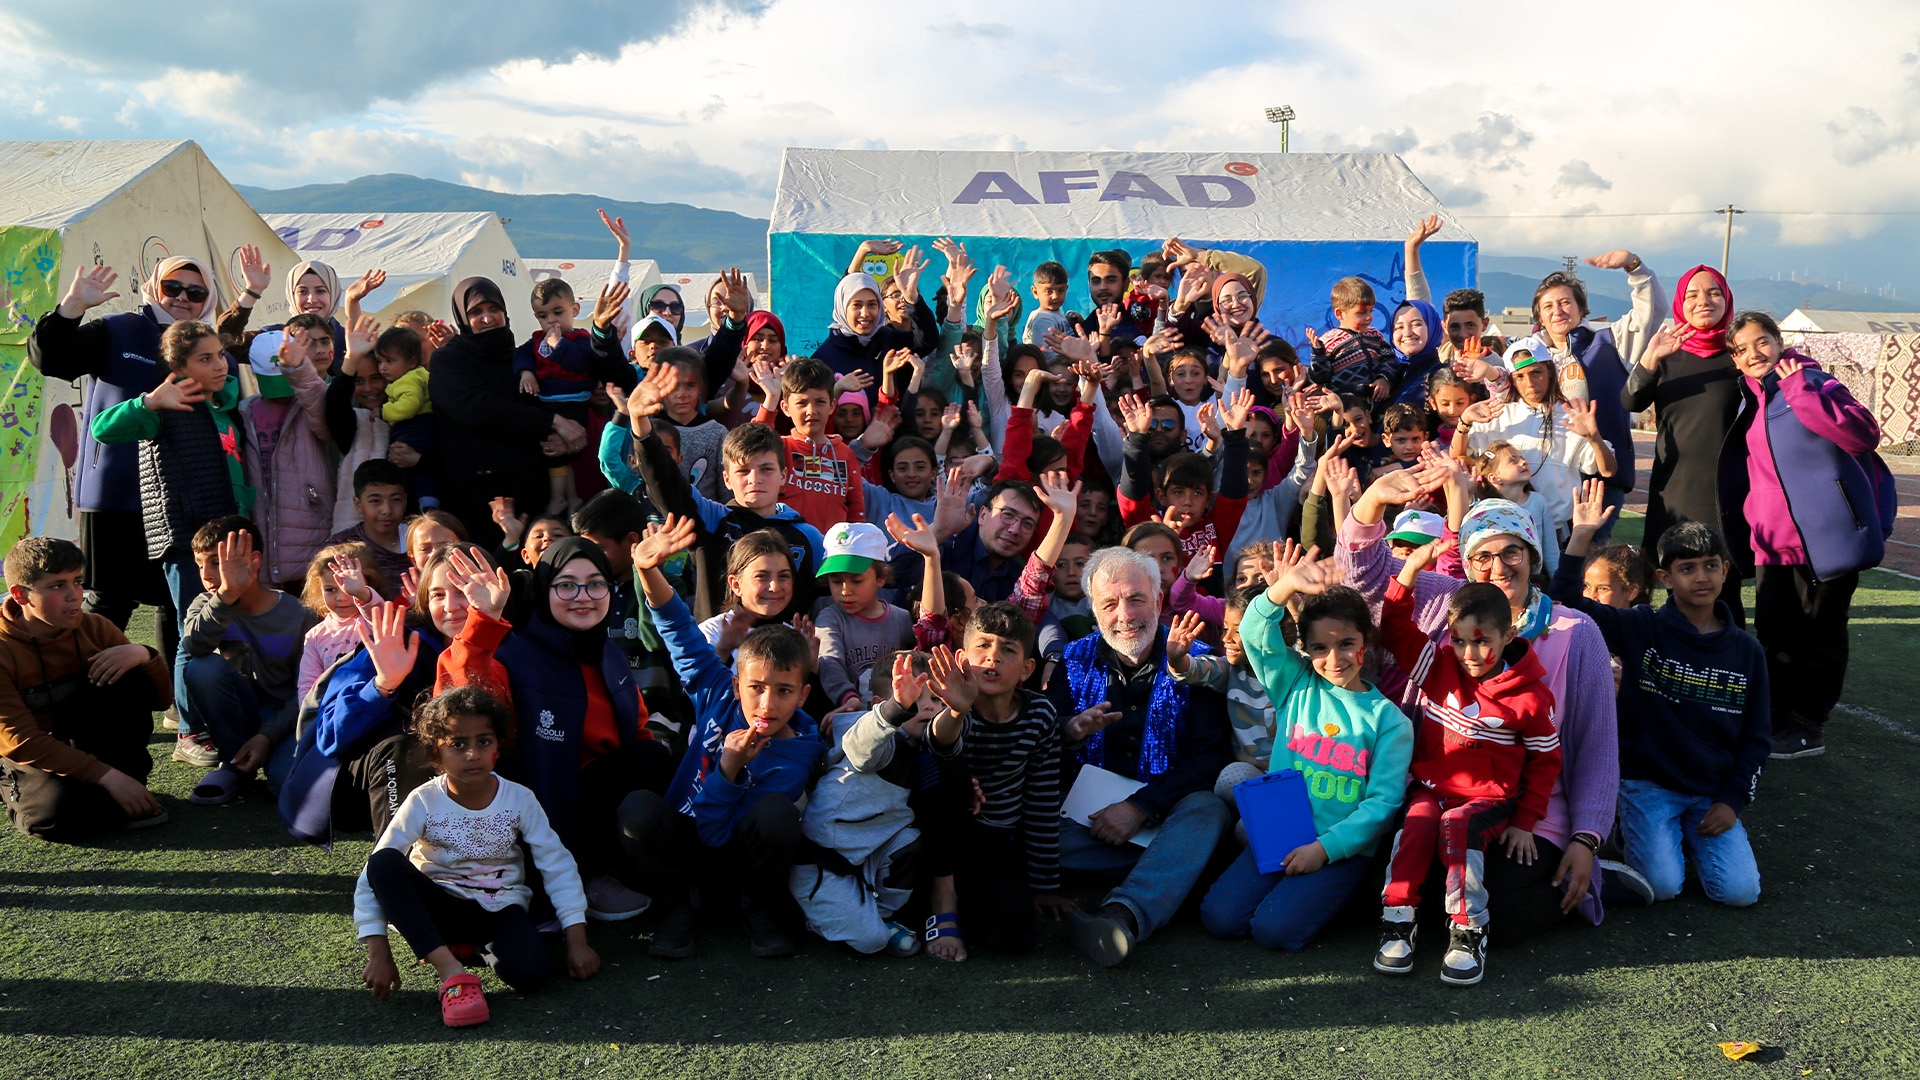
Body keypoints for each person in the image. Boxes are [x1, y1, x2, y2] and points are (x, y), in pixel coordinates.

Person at [1338, 474, 1622, 943]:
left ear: (1532, 555)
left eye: (1513, 551)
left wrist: (1585, 839)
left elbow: (1596, 746)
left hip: (1534, 810)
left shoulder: (1577, 630)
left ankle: (1601, 877)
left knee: (1504, 916)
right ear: (1467, 564)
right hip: (1447, 793)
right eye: (1482, 556)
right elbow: (1364, 577)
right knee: (1398, 896)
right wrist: (1370, 501)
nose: (1500, 567)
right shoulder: (1445, 604)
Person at [1553, 481, 1766, 907]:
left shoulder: (1747, 650)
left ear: (1726, 570)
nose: (1701, 577)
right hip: (1648, 784)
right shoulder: (1641, 626)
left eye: (1710, 565)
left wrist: (1731, 800)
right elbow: (1563, 599)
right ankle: (1628, 827)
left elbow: (1757, 737)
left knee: (1740, 893)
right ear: (1665, 578)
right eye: (1687, 568)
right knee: (1663, 887)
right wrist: (1581, 537)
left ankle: (1679, 836)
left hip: (1711, 790)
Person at [434, 541, 672, 923]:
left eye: (596, 584)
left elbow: (637, 734)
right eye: (566, 585)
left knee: (654, 757)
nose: (583, 597)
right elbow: (462, 706)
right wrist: (484, 617)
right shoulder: (514, 656)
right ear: (544, 591)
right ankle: (580, 877)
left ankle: (620, 870)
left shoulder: (608, 653)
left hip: (603, 805)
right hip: (536, 812)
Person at [622, 515, 822, 959]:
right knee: (637, 807)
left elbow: (718, 836)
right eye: (755, 688)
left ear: (803, 695)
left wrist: (729, 770)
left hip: (736, 853)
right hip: (686, 849)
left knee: (775, 814)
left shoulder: (798, 751)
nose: (766, 704)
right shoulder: (716, 689)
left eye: (784, 691)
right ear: (735, 684)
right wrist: (647, 570)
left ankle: (759, 907)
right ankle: (680, 904)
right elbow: (676, 628)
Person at [1199, 555, 1413, 954]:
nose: (1334, 659)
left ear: (1365, 642)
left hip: (1339, 851)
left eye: (1346, 644)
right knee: (1220, 919)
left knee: (1273, 931)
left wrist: (1325, 850)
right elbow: (1253, 630)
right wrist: (1284, 588)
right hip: (1279, 833)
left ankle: (1342, 896)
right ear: (1305, 648)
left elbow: (1382, 805)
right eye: (1320, 647)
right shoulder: (1294, 682)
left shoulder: (1391, 722)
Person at [355, 686, 599, 1028]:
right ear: (435, 753)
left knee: (531, 974)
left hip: (499, 907)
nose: (472, 754)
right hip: (439, 906)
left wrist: (577, 941)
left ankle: (466, 947)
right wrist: (378, 952)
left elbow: (556, 864)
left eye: (483, 741)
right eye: (458, 744)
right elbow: (374, 874)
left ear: (498, 746)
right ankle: (451, 970)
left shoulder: (519, 799)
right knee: (383, 863)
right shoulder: (423, 801)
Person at [1374, 546, 1561, 986]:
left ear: (1508, 633)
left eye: (1482, 641)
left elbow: (1545, 762)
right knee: (1418, 821)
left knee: (1458, 824)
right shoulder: (1440, 667)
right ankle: (1398, 919)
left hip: (1488, 799)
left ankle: (1468, 929)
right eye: (1459, 640)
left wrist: (1526, 821)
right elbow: (1397, 631)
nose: (1470, 652)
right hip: (1431, 787)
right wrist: (1410, 574)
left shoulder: (1532, 698)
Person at [30, 258, 229, 667]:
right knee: (108, 600)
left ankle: (175, 701)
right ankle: (89, 695)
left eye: (197, 292)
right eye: (173, 287)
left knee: (178, 600)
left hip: (181, 499)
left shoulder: (208, 344)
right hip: (114, 493)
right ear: (155, 287)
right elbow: (52, 361)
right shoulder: (118, 329)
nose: (183, 299)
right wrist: (70, 309)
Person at [1718, 312, 1893, 760]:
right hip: (1773, 544)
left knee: (1821, 632)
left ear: (1779, 342)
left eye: (1762, 342)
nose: (1754, 354)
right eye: (1742, 349)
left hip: (1826, 539)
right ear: (1735, 360)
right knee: (1775, 633)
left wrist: (1800, 391)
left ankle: (1808, 724)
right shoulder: (1748, 399)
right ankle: (1776, 717)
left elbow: (1862, 436)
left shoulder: (1816, 383)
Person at [1047, 547, 1232, 967]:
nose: (1125, 614)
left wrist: (1139, 807)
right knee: (1029, 832)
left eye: (1136, 599)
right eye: (1110, 603)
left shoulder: (1198, 661)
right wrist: (1069, 732)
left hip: (1165, 813)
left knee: (1208, 811)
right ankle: (1175, 873)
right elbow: (1043, 742)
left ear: (1160, 600)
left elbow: (1208, 758)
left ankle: (1123, 914)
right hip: (1087, 824)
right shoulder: (1071, 660)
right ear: (1094, 609)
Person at [430, 277, 634, 550]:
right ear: (462, 317)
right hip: (479, 503)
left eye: (494, 309)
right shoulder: (449, 360)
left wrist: (601, 331)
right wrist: (553, 422)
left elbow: (609, 378)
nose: (488, 318)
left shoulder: (521, 356)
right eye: (476, 312)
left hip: (536, 498)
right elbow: (476, 408)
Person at [920, 605, 1070, 957]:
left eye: (1007, 649)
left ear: (1027, 669)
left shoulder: (1039, 715)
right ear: (963, 658)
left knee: (1014, 936)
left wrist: (1044, 886)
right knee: (940, 770)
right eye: (983, 646)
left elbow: (1042, 800)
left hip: (996, 841)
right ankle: (943, 901)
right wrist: (956, 710)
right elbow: (939, 743)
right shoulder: (957, 708)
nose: (993, 658)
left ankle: (969, 905)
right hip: (943, 833)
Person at [0, 537, 171, 839]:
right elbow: (20, 739)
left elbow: (161, 700)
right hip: (32, 754)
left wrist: (145, 656)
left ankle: (122, 781)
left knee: (128, 674)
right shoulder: (4, 649)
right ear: (20, 595)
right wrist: (105, 776)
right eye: (57, 586)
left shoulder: (96, 627)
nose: (74, 595)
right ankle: (16, 789)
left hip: (85, 740)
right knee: (56, 817)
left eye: (78, 581)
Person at [626, 385, 825, 622]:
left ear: (783, 475)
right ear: (727, 479)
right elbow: (668, 485)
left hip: (785, 653)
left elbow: (826, 599)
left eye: (766, 469)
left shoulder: (810, 537)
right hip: (719, 653)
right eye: (743, 471)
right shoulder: (712, 520)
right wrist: (641, 428)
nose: (755, 479)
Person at [787, 650, 928, 957]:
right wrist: (897, 709)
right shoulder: (881, 737)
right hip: (822, 864)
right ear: (881, 705)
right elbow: (860, 747)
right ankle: (813, 915)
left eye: (937, 699)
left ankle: (878, 915)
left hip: (864, 857)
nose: (929, 707)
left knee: (910, 842)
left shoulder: (921, 745)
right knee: (872, 942)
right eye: (917, 698)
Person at [1625, 266, 1743, 615]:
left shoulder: (1740, 355)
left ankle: (1730, 666)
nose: (1703, 301)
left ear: (1727, 299)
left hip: (1727, 492)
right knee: (1675, 587)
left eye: (1713, 293)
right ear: (1680, 303)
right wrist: (1650, 357)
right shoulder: (1666, 354)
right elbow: (1630, 402)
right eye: (1692, 295)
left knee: (1723, 594)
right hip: (1674, 489)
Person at [177, 517, 319, 804]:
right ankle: (235, 763)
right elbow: (193, 647)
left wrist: (267, 737)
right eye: (200, 564)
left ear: (254, 561)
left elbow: (307, 693)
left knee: (286, 783)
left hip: (284, 717)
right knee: (202, 667)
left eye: (216, 563)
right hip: (238, 711)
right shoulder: (206, 604)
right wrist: (227, 595)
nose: (206, 574)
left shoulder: (300, 614)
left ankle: (258, 759)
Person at [1526, 251, 1664, 539]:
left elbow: (1649, 313)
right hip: (1545, 477)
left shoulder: (1609, 343)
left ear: (1581, 309)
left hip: (1599, 478)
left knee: (1587, 565)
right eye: (1548, 306)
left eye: (1566, 302)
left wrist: (1634, 267)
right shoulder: (1528, 356)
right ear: (1539, 315)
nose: (1558, 311)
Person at [1455, 338, 1616, 541]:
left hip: (1554, 533)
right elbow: (1460, 455)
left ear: (1549, 370)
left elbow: (1608, 470)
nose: (1529, 383)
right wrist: (1465, 420)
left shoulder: (1571, 416)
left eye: (1536, 373)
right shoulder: (1497, 412)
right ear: (1512, 380)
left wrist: (1594, 438)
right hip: (1496, 529)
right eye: (1520, 376)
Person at [241, 316, 336, 590]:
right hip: (262, 537)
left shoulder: (312, 401)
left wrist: (298, 370)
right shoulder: (244, 411)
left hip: (310, 537)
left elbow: (326, 419)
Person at [513, 278, 599, 517]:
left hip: (575, 403)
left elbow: (580, 362)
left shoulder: (581, 340)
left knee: (569, 451)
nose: (550, 320)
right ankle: (563, 498)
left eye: (557, 312)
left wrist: (558, 344)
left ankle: (567, 497)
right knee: (553, 452)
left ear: (575, 310)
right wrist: (526, 372)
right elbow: (521, 355)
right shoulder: (536, 341)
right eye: (542, 315)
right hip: (547, 406)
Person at [750, 357, 865, 530]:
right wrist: (772, 398)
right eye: (802, 403)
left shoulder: (845, 454)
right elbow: (751, 447)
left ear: (832, 406)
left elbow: (856, 513)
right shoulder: (780, 448)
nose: (811, 411)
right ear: (786, 408)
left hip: (831, 555)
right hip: (784, 552)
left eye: (820, 402)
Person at [815, 522, 914, 712]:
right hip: (851, 718)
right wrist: (848, 698)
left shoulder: (901, 619)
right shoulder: (830, 619)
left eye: (857, 580)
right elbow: (830, 662)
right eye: (836, 581)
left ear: (881, 577)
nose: (845, 590)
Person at [812, 261, 939, 383]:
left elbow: (927, 341)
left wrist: (913, 300)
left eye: (872, 304)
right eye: (857, 305)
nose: (865, 313)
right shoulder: (824, 358)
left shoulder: (887, 338)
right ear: (842, 308)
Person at [295, 544, 387, 706]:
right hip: (334, 709)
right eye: (330, 590)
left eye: (349, 588)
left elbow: (380, 617)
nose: (341, 598)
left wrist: (361, 594)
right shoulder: (316, 635)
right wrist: (311, 718)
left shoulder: (372, 617)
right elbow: (308, 685)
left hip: (375, 701)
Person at [327, 460, 414, 592]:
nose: (387, 510)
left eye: (396, 499)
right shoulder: (339, 548)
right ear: (358, 504)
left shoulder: (421, 541)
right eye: (375, 501)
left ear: (405, 501)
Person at [1308, 278, 1394, 403]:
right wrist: (1318, 354)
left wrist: (1384, 379)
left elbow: (1389, 360)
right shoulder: (1327, 341)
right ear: (1340, 314)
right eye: (1362, 312)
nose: (1369, 317)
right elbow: (1320, 378)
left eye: (1371, 311)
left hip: (1378, 401)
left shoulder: (1375, 335)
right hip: (1345, 406)